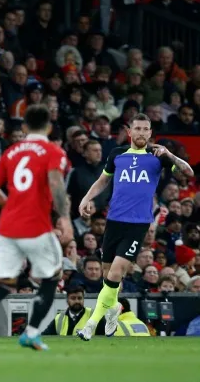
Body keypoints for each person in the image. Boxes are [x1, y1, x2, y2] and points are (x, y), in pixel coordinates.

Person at [0, 104, 73, 351]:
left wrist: (11, 205)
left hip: (7, 228)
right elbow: (55, 183)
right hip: (37, 227)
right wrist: (64, 219)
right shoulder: (54, 151)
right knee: (52, 277)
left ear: (24, 127)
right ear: (49, 127)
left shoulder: (11, 152)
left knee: (5, 283)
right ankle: (31, 333)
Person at [76, 113, 194, 341]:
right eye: (137, 129)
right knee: (107, 276)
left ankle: (91, 325)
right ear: (130, 132)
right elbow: (103, 179)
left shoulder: (158, 156)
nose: (141, 133)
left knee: (116, 273)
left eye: (145, 129)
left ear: (150, 133)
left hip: (138, 224)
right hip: (114, 222)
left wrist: (169, 154)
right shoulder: (117, 154)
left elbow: (187, 173)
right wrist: (85, 199)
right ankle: (112, 310)